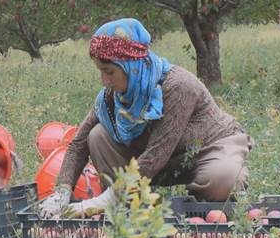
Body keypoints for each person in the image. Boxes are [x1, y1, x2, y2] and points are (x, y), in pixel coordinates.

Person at [40, 18, 253, 218]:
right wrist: (62, 191)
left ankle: (192, 201)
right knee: (97, 135)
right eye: (100, 71)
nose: (104, 80)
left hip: (207, 148)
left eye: (109, 71)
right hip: (158, 160)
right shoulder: (111, 97)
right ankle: (130, 205)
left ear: (131, 65)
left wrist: (103, 200)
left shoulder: (177, 86)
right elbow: (78, 144)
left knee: (222, 179)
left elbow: (157, 154)